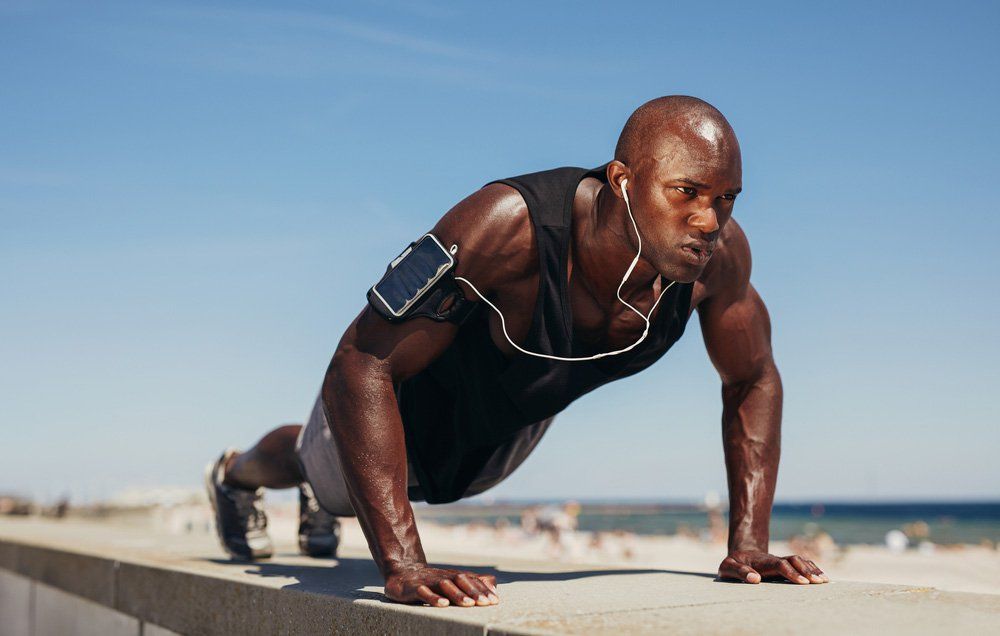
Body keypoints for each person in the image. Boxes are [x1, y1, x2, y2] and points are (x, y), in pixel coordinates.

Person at [204, 96, 829, 608]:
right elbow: (361, 361)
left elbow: (752, 379)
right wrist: (403, 564)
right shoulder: (505, 226)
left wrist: (748, 544)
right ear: (622, 182)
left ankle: (322, 490)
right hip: (396, 405)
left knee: (437, 483)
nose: (708, 220)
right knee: (324, 474)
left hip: (504, 433)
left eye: (726, 199)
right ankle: (236, 475)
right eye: (687, 191)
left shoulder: (718, 264)